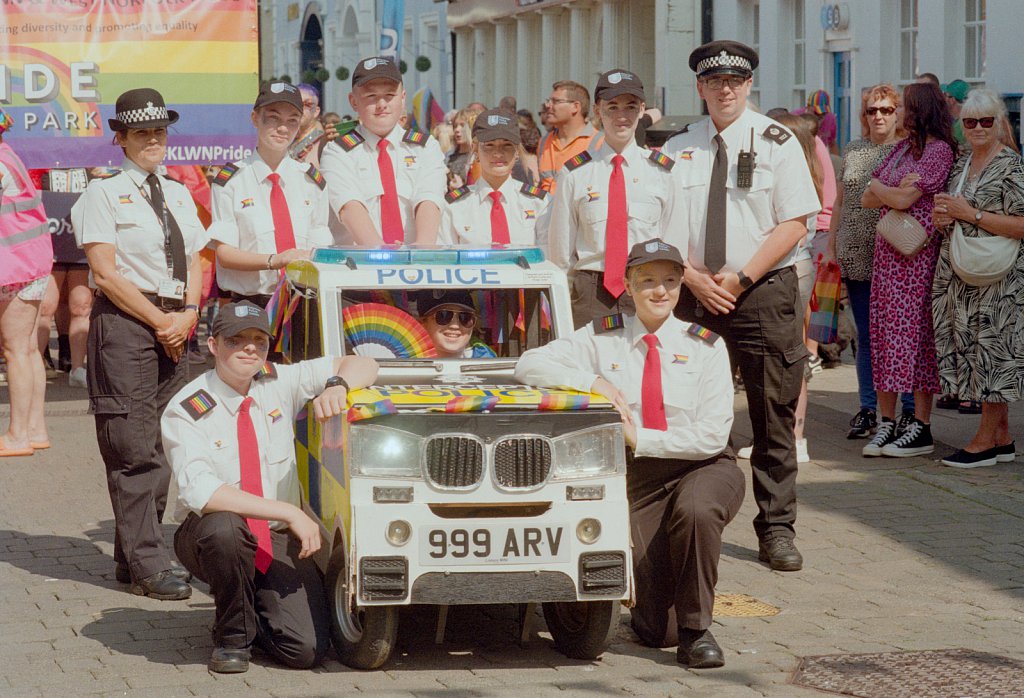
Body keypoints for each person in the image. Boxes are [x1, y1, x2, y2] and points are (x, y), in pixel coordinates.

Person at [516, 239, 744, 668]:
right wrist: (591, 383)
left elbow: (713, 435)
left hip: (705, 465)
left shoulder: (707, 345)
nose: (661, 292)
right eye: (649, 281)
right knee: (657, 630)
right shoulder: (603, 338)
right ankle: (667, 621)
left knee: (695, 512)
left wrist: (638, 437)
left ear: (681, 287)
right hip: (640, 478)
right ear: (628, 285)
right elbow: (527, 364)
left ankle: (698, 633)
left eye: (671, 282)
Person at [662, 40, 819, 572]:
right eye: (713, 82)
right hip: (695, 292)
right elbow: (658, 228)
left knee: (772, 412)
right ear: (701, 88)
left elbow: (796, 221)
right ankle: (688, 516)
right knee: (688, 405)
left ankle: (776, 528)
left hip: (760, 290)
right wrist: (692, 278)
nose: (724, 90)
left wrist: (741, 275)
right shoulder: (679, 146)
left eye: (734, 81)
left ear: (749, 85)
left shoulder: (777, 143)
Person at [162, 301, 379, 673]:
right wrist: (290, 512)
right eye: (236, 340)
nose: (249, 348)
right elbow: (206, 494)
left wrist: (337, 386)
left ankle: (250, 610)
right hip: (209, 533)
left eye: (258, 341)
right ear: (213, 345)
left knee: (306, 650)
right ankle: (232, 639)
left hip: (274, 535)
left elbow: (366, 364)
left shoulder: (279, 381)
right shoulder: (187, 408)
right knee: (227, 530)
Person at [71, 88, 207, 599]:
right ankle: (150, 563)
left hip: (175, 319)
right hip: (128, 322)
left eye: (160, 130)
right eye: (141, 132)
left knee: (163, 440)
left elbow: (196, 256)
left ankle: (134, 556)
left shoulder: (176, 192)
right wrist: (159, 321)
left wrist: (188, 313)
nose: (153, 139)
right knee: (131, 447)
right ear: (120, 138)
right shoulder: (101, 195)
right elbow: (104, 274)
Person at [859, 82, 956, 458]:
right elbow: (870, 196)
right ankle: (887, 422)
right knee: (885, 338)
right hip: (888, 257)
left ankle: (920, 425)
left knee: (916, 340)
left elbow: (897, 197)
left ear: (920, 110)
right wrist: (889, 188)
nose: (897, 113)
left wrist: (887, 189)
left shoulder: (939, 151)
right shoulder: (901, 149)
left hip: (916, 259)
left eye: (904, 107)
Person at [544, 69, 682, 329]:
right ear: (597, 111)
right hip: (590, 291)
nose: (621, 116)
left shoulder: (662, 173)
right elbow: (561, 253)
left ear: (642, 110)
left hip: (648, 288)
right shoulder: (575, 173)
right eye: (612, 107)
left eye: (630, 107)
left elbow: (675, 243)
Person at [931, 89, 1024, 468]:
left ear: (1000, 123)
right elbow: (952, 213)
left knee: (992, 349)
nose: (979, 128)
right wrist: (944, 220)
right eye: (971, 122)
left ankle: (985, 440)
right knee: (972, 349)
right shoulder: (963, 164)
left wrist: (972, 215)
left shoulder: (1012, 167)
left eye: (987, 120)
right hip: (962, 271)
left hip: (998, 276)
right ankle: (1001, 437)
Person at [826, 84, 914, 439]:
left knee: (899, 335)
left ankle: (908, 409)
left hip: (895, 256)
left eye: (886, 110)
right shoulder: (854, 149)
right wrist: (831, 244)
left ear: (898, 114)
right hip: (856, 255)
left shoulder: (908, 150)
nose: (878, 116)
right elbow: (841, 201)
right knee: (867, 336)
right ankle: (867, 408)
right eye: (872, 111)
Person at [209, 82, 331, 316]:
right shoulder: (230, 181)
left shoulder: (312, 182)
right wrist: (276, 260)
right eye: (273, 118)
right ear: (255, 118)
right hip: (251, 305)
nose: (283, 128)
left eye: (292, 120)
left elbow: (321, 247)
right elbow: (225, 255)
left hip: (304, 303)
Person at [319, 56, 446, 246]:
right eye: (371, 96)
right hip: (362, 266)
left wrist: (422, 251)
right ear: (354, 101)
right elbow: (349, 206)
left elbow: (428, 199)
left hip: (417, 264)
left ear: (402, 99)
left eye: (389, 95)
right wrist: (382, 257)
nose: (381, 104)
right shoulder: (337, 151)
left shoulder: (426, 147)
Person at [0, 107, 53, 458]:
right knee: (29, 348)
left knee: (15, 349)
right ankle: (35, 428)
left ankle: (18, 435)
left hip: (15, 265)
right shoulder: (8, 154)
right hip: (31, 260)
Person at [439, 109, 549, 246]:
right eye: (489, 145)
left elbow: (548, 258)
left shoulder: (538, 203)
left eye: (507, 145)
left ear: (517, 151)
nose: (498, 153)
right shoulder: (455, 207)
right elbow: (447, 260)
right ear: (475, 150)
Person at [537, 80, 597, 192]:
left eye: (555, 101)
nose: (548, 105)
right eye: (548, 101)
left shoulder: (599, 142)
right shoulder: (544, 142)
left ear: (575, 107)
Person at [415, 290, 496, 359]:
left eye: (465, 317)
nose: (455, 325)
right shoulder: (406, 365)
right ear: (422, 323)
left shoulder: (490, 365)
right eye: (443, 315)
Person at [288, 83, 326, 167]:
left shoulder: (324, 144)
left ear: (316, 111)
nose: (299, 108)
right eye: (295, 103)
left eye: (307, 104)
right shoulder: (288, 140)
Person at [941, 80, 970, 145]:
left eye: (945, 95)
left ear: (952, 99)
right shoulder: (945, 118)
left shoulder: (963, 125)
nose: (943, 98)